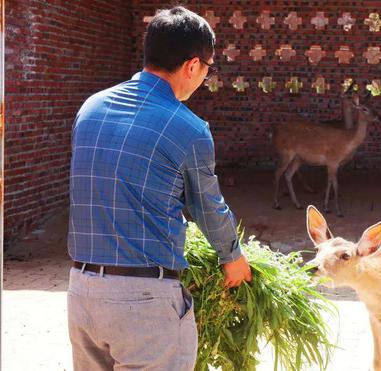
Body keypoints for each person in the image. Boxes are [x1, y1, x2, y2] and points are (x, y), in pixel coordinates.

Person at [66, 6, 251, 370]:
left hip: (81, 291)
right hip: (145, 301)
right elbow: (208, 207)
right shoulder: (189, 128)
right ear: (193, 65)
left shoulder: (90, 109)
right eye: (208, 69)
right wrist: (233, 257)